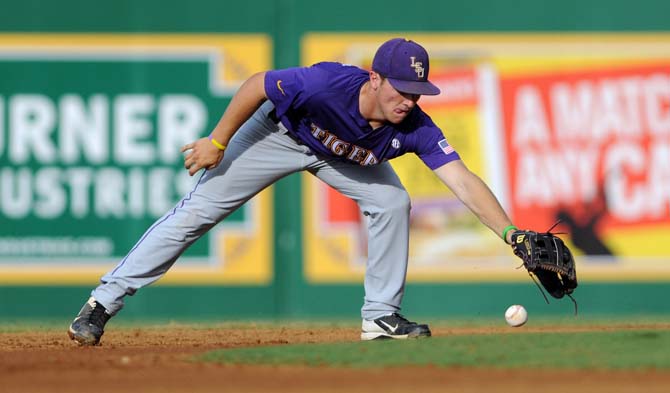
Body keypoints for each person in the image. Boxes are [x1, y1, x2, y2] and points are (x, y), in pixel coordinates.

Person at [68, 38, 518, 345]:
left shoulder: (415, 126)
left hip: (339, 158)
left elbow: (461, 179)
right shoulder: (326, 85)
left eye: (418, 93)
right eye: (402, 89)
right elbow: (258, 83)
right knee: (197, 213)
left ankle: (380, 317)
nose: (409, 101)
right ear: (376, 79)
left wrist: (511, 235)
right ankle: (100, 304)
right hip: (278, 135)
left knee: (392, 200)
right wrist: (219, 142)